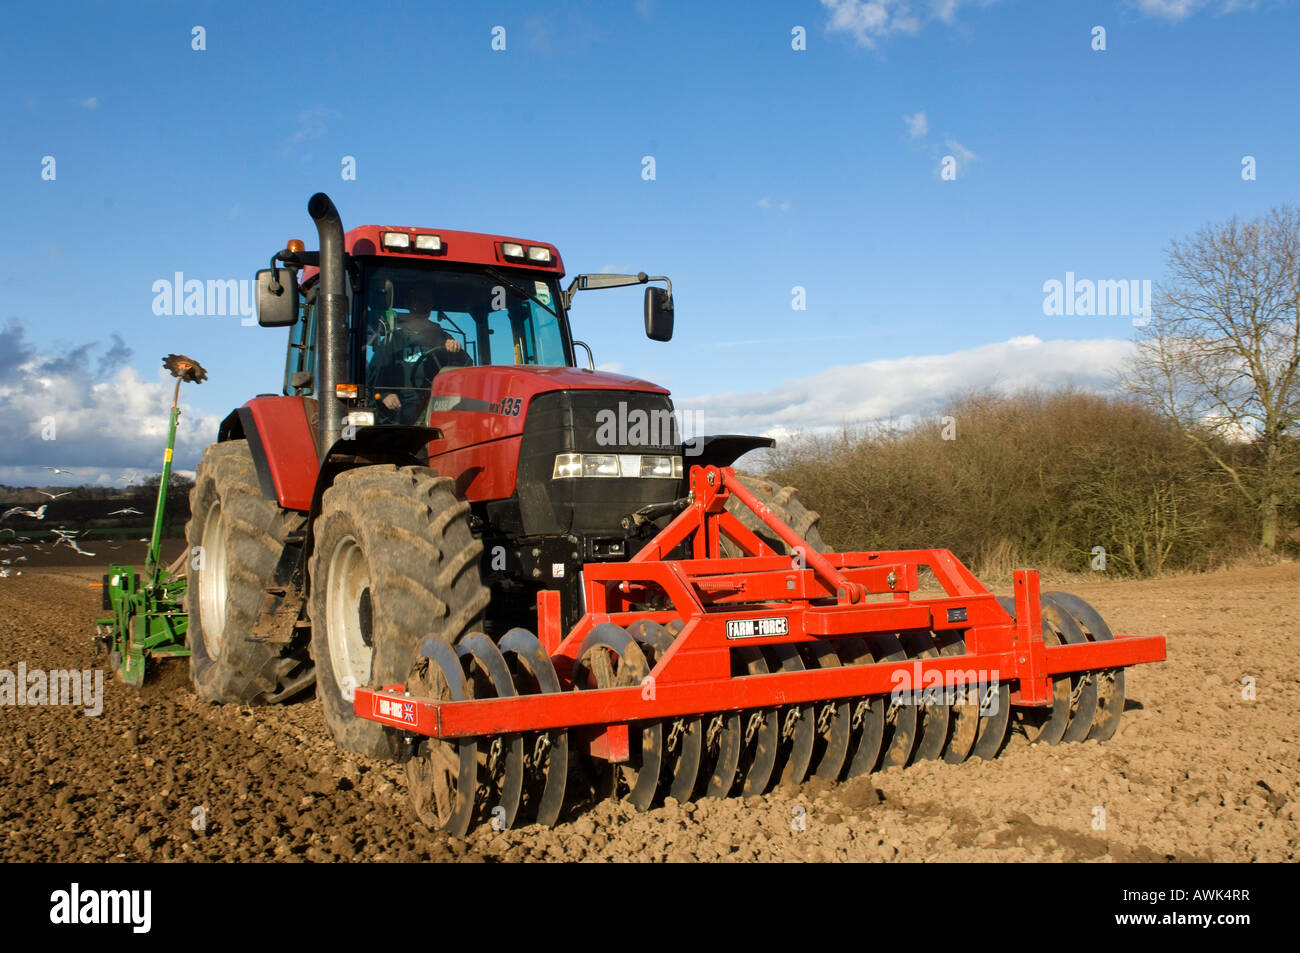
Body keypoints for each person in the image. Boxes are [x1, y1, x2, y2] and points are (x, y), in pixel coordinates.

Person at [368, 285, 471, 424]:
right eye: (419, 301)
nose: (424, 305)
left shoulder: (442, 337)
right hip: (401, 410)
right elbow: (374, 378)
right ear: (408, 304)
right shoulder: (393, 341)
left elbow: (466, 371)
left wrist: (455, 353)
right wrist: (384, 395)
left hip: (439, 405)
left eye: (428, 302)